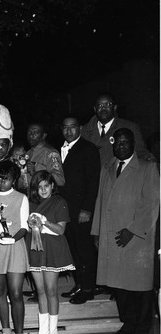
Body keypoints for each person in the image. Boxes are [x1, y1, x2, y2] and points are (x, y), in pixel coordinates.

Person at [92, 128, 159, 334]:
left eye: (125, 142)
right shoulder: (108, 167)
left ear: (133, 144)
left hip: (137, 240)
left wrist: (133, 230)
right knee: (119, 286)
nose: (121, 146)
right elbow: (101, 201)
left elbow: (152, 204)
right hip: (112, 236)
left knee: (139, 288)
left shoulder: (147, 168)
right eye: (117, 142)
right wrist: (97, 232)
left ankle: (141, 332)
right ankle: (128, 326)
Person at [27, 171, 75, 334]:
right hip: (35, 250)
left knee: (51, 290)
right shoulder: (32, 203)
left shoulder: (60, 202)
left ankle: (53, 331)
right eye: (39, 187)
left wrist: (44, 222)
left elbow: (61, 230)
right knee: (40, 291)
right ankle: (43, 330)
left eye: (46, 186)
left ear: (52, 186)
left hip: (53, 250)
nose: (43, 190)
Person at [0, 161, 30, 334]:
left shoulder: (21, 197)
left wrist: (13, 239)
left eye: (7, 179)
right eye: (0, 178)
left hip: (15, 247)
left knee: (16, 293)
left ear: (14, 180)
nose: (2, 182)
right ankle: (6, 331)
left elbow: (24, 226)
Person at [59, 115, 101, 304]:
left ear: (80, 128)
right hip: (66, 210)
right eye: (65, 128)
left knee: (84, 249)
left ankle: (88, 288)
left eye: (73, 127)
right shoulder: (60, 149)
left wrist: (87, 209)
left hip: (81, 210)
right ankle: (79, 284)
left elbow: (94, 182)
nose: (69, 131)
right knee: (72, 248)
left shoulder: (88, 148)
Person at [80, 93, 153, 164]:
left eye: (108, 104)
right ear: (95, 109)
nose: (103, 108)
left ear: (115, 107)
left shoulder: (130, 127)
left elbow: (141, 153)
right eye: (100, 105)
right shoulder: (85, 131)